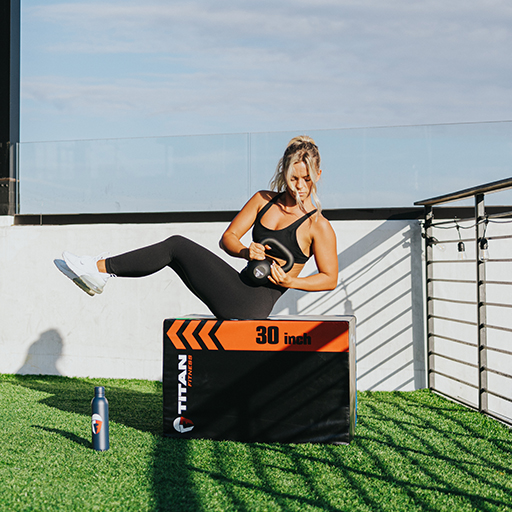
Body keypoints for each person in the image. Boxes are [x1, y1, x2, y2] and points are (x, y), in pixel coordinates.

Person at [59, 136, 338, 319]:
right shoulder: (262, 200)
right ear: (283, 172)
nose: (299, 186)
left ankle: (99, 269)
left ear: (318, 176)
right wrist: (244, 251)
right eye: (293, 178)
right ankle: (100, 272)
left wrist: (292, 282)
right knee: (174, 254)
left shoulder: (318, 226)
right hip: (236, 285)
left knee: (176, 246)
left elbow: (329, 278)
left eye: (306, 179)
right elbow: (227, 239)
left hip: (251, 304)